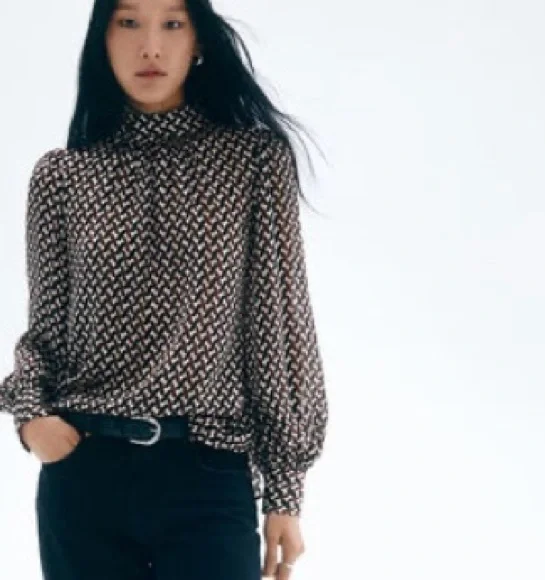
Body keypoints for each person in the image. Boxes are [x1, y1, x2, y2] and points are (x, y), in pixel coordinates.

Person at [0, 0, 329, 579]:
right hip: (84, 477)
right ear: (102, 40)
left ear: (198, 40)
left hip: (207, 477)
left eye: (172, 24)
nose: (150, 46)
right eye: (128, 22)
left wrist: (284, 490)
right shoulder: (63, 176)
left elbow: (279, 331)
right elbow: (46, 335)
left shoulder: (252, 162)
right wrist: (31, 419)